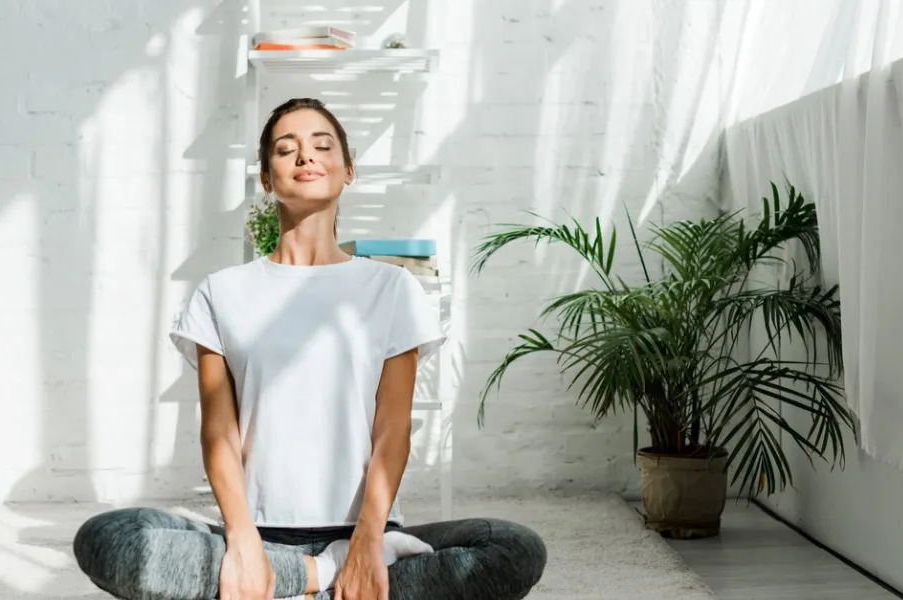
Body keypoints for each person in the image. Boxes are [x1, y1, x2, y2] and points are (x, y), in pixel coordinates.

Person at [72, 97, 548, 600]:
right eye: (286, 149)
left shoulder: (392, 288)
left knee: (513, 548)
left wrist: (367, 541)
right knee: (109, 538)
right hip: (258, 532)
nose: (305, 156)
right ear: (265, 177)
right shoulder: (221, 291)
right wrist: (242, 541)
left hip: (370, 531)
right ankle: (321, 575)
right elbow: (219, 433)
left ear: (348, 171)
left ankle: (301, 581)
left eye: (322, 146)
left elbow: (392, 430)